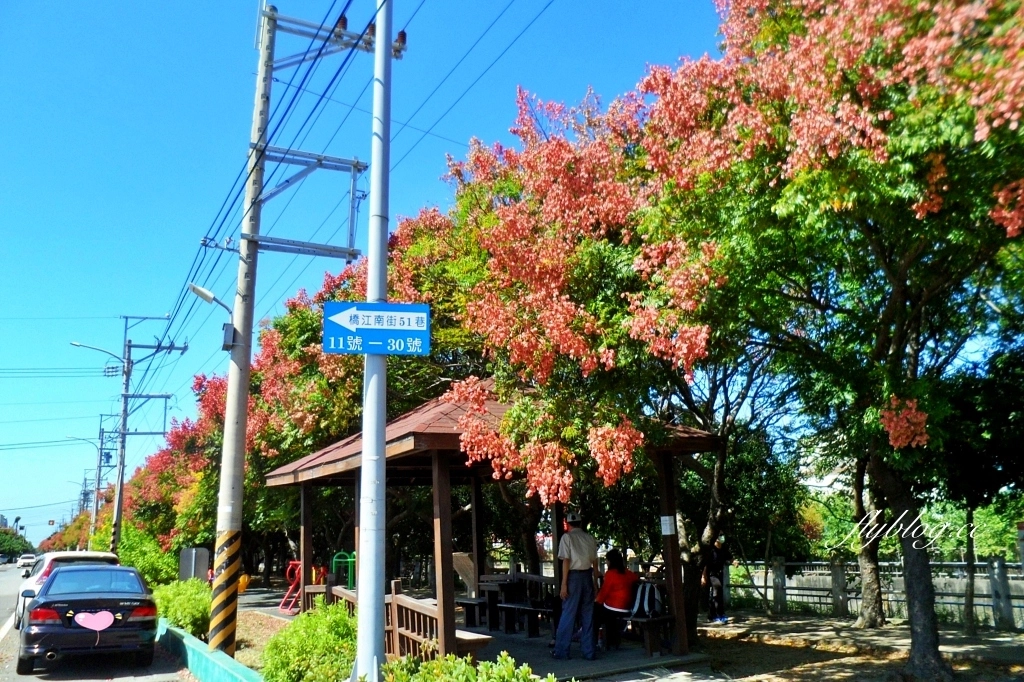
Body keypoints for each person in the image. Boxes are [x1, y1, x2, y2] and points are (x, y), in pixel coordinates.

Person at [553, 511, 599, 660]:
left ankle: (561, 651)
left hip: (573, 577)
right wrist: (595, 582)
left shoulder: (567, 538)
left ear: (567, 524)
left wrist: (563, 584)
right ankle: (589, 651)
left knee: (568, 614)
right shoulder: (589, 538)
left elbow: (566, 560)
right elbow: (595, 561)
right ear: (580, 522)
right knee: (588, 615)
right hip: (587, 576)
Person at [593, 548, 638, 651]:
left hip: (613, 607)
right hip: (627, 608)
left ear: (610, 561)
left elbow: (603, 594)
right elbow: (636, 578)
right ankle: (611, 642)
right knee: (606, 615)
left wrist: (596, 601)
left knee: (594, 613)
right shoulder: (628, 573)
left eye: (607, 560)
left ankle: (593, 641)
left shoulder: (610, 574)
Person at [702, 534, 735, 623]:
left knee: (718, 594)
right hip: (711, 574)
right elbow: (705, 565)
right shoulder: (711, 550)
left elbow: (730, 557)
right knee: (717, 590)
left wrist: (734, 562)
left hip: (720, 573)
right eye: (719, 535)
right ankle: (718, 614)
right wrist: (703, 576)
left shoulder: (724, 549)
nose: (722, 537)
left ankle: (712, 615)